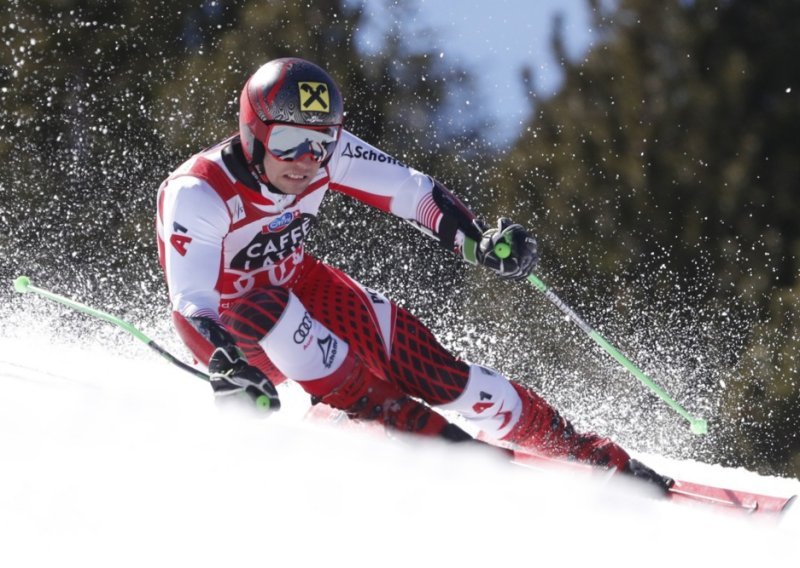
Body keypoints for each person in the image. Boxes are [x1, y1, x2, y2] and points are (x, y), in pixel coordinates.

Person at [156, 57, 671, 491]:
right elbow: (192, 300)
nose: (306, 160)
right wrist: (224, 363)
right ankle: (415, 433)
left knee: (442, 376)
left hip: (302, 287)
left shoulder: (324, 156)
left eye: (321, 141)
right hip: (236, 337)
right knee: (263, 307)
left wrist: (476, 242)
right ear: (253, 132)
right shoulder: (198, 193)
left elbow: (408, 191)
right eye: (289, 140)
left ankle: (588, 456)